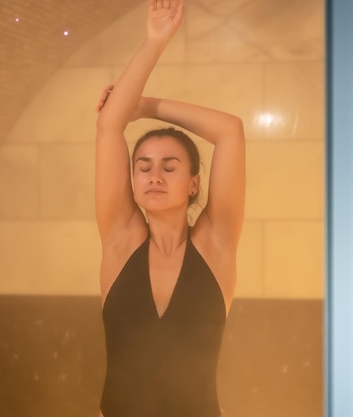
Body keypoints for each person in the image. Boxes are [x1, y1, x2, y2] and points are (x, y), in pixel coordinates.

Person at [94, 0, 245, 416]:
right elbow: (109, 125)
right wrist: (153, 42)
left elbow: (230, 131)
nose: (154, 176)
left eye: (169, 166)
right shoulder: (120, 242)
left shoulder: (216, 246)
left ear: (195, 182)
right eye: (143, 167)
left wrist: (144, 106)